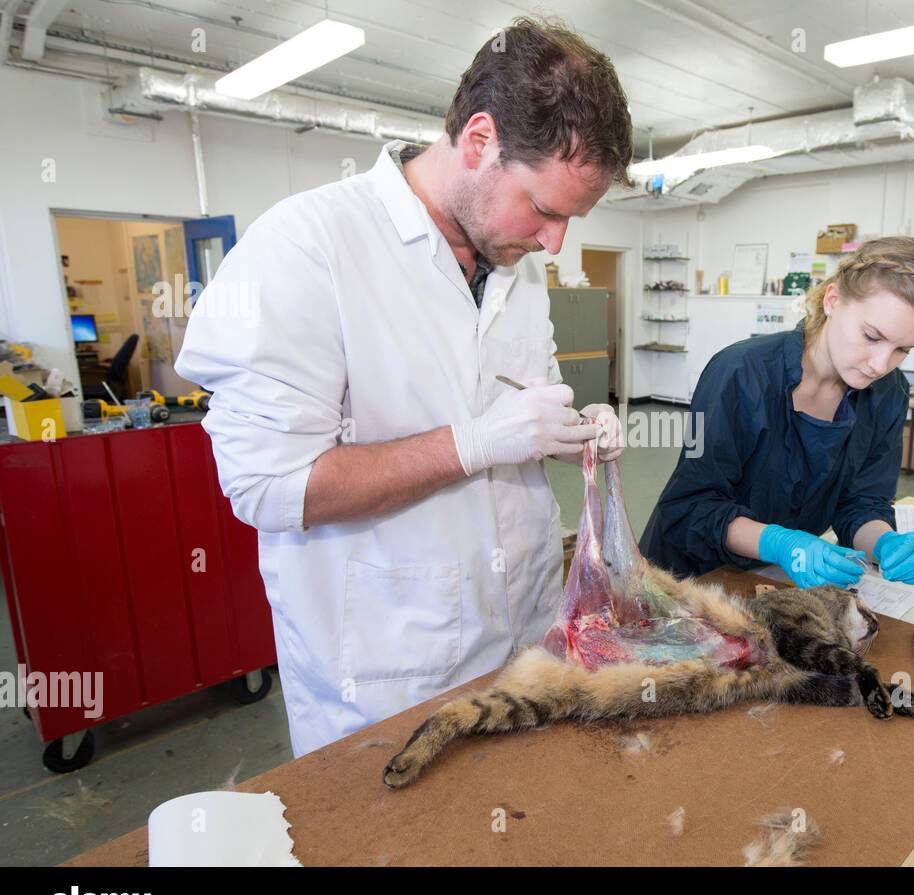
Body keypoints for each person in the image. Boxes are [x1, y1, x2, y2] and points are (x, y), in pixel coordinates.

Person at [175, 17, 634, 756]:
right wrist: (474, 444)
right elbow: (270, 486)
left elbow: (526, 396)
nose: (555, 243)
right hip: (390, 676)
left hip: (525, 641)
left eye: (572, 220)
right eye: (546, 210)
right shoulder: (305, 248)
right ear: (479, 141)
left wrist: (572, 426)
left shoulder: (517, 265)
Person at [639, 237, 914, 589]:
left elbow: (863, 503)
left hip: (770, 582)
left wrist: (883, 542)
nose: (880, 364)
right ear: (833, 300)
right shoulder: (738, 372)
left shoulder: (889, 393)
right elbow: (691, 507)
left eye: (902, 349)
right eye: (871, 336)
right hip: (686, 578)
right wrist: (781, 543)